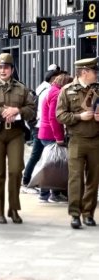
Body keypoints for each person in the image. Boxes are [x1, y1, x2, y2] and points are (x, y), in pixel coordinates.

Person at [0, 53, 35, 224]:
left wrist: (17, 111)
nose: (3, 70)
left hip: (16, 133)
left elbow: (32, 109)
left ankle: (13, 209)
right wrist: (1, 111)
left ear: (12, 69)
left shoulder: (21, 88)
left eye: (6, 67)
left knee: (16, 170)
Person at [56, 57, 99, 229]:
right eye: (94, 71)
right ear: (84, 72)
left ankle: (88, 213)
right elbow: (60, 115)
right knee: (75, 179)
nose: (96, 74)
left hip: (96, 140)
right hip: (76, 141)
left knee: (94, 180)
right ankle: (75, 214)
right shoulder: (67, 91)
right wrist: (79, 117)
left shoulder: (97, 90)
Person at [21, 64, 62, 195]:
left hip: (37, 125)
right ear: (53, 77)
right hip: (41, 126)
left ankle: (27, 180)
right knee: (48, 158)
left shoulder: (42, 87)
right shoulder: (48, 90)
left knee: (37, 156)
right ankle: (46, 190)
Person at [38, 73, 73, 202]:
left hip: (45, 132)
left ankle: (52, 193)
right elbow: (54, 117)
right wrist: (59, 137)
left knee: (52, 163)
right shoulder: (57, 94)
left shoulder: (52, 90)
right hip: (51, 134)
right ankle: (46, 194)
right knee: (51, 165)